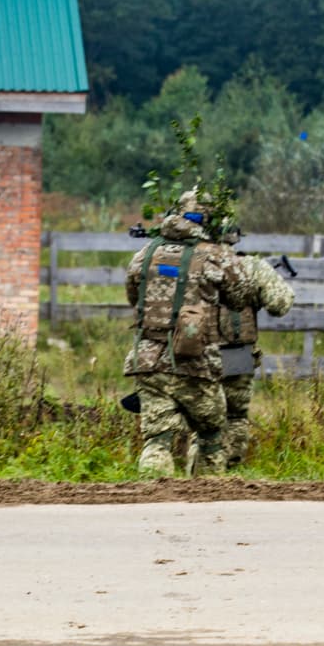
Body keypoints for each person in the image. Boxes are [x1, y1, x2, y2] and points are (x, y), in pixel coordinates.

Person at [123, 189, 252, 476]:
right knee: (211, 435)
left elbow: (134, 298)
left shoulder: (145, 254)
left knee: (157, 438)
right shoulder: (215, 256)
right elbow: (239, 298)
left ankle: (150, 493)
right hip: (195, 364)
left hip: (148, 362)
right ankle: (206, 494)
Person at [215, 231, 295, 469]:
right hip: (236, 352)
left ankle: (197, 472)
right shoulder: (250, 265)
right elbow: (280, 304)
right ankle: (229, 473)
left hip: (192, 351)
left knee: (199, 416)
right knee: (235, 415)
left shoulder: (188, 262)